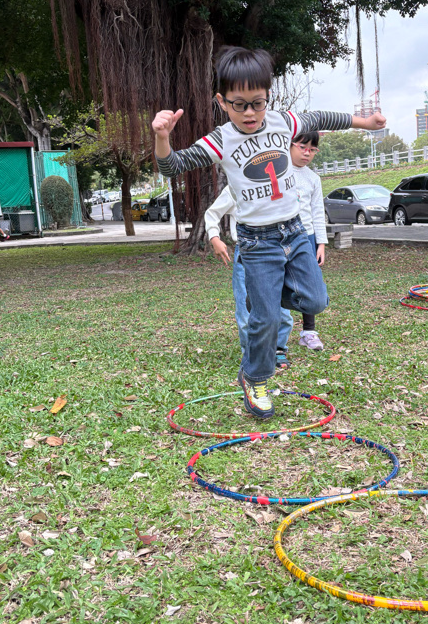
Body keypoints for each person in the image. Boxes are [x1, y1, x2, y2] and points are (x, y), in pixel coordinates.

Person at [152, 46, 386, 418]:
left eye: (257, 103)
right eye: (238, 104)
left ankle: (265, 298)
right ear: (222, 102)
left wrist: (365, 123)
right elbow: (172, 166)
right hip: (257, 243)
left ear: (268, 97)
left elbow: (322, 116)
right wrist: (163, 137)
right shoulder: (220, 140)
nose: (249, 113)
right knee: (267, 319)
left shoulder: (282, 122)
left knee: (316, 302)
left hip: (294, 233)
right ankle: (255, 378)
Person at [205, 184, 294, 369]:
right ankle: (251, 354)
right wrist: (214, 238)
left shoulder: (277, 183)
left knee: (281, 306)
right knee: (244, 307)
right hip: (247, 252)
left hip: (277, 250)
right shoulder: (235, 187)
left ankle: (278, 349)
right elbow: (212, 213)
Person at [290, 132, 328, 351]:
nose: (307, 153)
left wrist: (320, 244)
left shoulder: (313, 178)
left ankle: (309, 332)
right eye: (303, 147)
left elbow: (317, 212)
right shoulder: (279, 170)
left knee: (310, 283)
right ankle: (276, 329)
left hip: (307, 237)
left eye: (312, 149)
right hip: (281, 235)